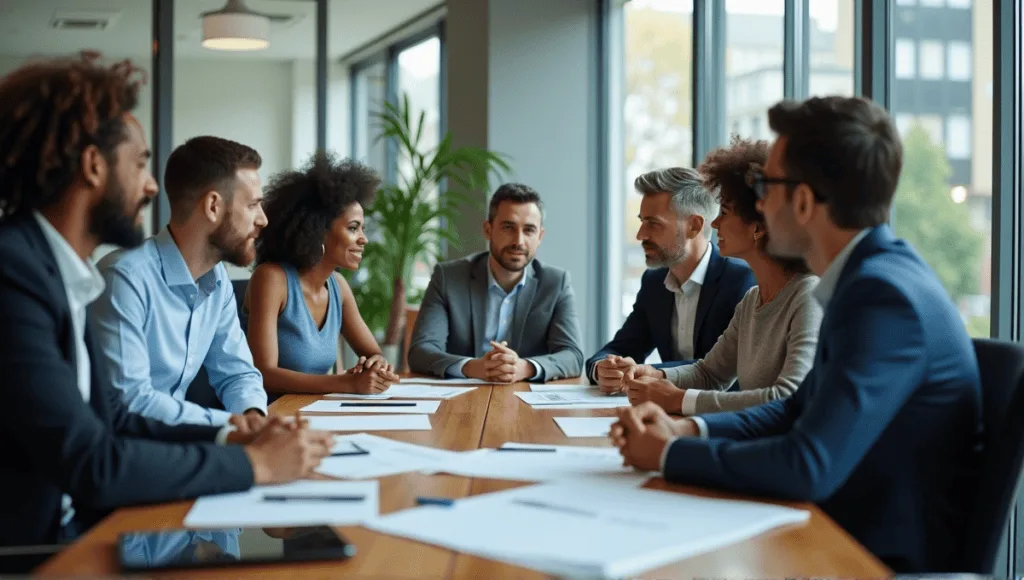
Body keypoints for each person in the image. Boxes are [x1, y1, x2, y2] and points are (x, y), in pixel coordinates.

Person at [611, 96, 982, 573]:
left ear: (803, 201)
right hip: (834, 526)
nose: (759, 203)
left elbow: (809, 463)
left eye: (766, 186)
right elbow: (794, 409)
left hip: (867, 554)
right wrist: (689, 429)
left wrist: (672, 453)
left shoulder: (882, 297)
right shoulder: (868, 279)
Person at [0, 54, 333, 553]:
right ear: (93, 166)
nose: (153, 186)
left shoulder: (62, 273)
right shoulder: (16, 274)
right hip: (44, 549)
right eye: (139, 164)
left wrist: (238, 437)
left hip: (91, 524)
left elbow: (117, 419)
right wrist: (254, 464)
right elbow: (92, 461)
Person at [624, 137, 822, 415]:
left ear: (759, 226)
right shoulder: (753, 300)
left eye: (725, 212)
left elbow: (787, 397)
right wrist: (656, 375)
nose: (715, 223)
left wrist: (678, 400)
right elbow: (709, 373)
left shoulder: (808, 296)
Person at [90, 136, 271, 427]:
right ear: (213, 206)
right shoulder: (124, 279)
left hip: (177, 443)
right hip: (126, 451)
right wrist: (232, 427)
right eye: (253, 205)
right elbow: (131, 400)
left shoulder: (218, 280)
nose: (263, 219)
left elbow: (237, 373)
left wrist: (254, 418)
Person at [587, 168, 755, 394]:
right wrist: (603, 369)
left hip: (719, 417)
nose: (640, 235)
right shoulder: (654, 282)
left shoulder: (741, 281)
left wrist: (645, 371)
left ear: (694, 226)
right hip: (665, 413)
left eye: (653, 223)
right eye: (641, 221)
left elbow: (718, 371)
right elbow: (623, 346)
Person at [244, 152, 400, 395]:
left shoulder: (338, 286)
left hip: (316, 412)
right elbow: (263, 373)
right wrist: (347, 384)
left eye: (362, 228)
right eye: (353, 228)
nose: (363, 239)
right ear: (317, 231)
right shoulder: (272, 278)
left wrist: (376, 366)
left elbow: (373, 352)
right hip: (271, 417)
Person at [407, 183, 584, 382]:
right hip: (463, 398)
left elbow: (573, 356)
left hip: (526, 397)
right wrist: (472, 367)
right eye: (508, 227)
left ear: (540, 236)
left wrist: (524, 368)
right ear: (488, 230)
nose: (519, 241)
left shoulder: (556, 283)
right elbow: (421, 352)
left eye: (529, 230)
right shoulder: (449, 278)